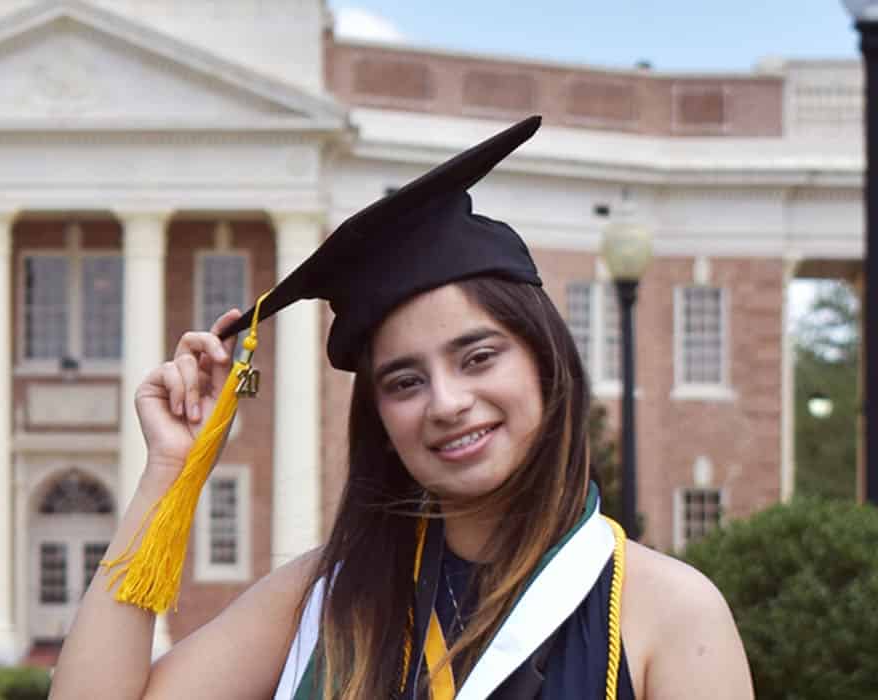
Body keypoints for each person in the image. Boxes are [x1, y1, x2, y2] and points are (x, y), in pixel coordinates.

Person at [49, 116, 752, 700]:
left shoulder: (668, 613)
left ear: (545, 363)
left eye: (478, 357)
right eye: (404, 381)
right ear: (379, 418)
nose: (447, 402)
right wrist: (170, 471)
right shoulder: (326, 598)